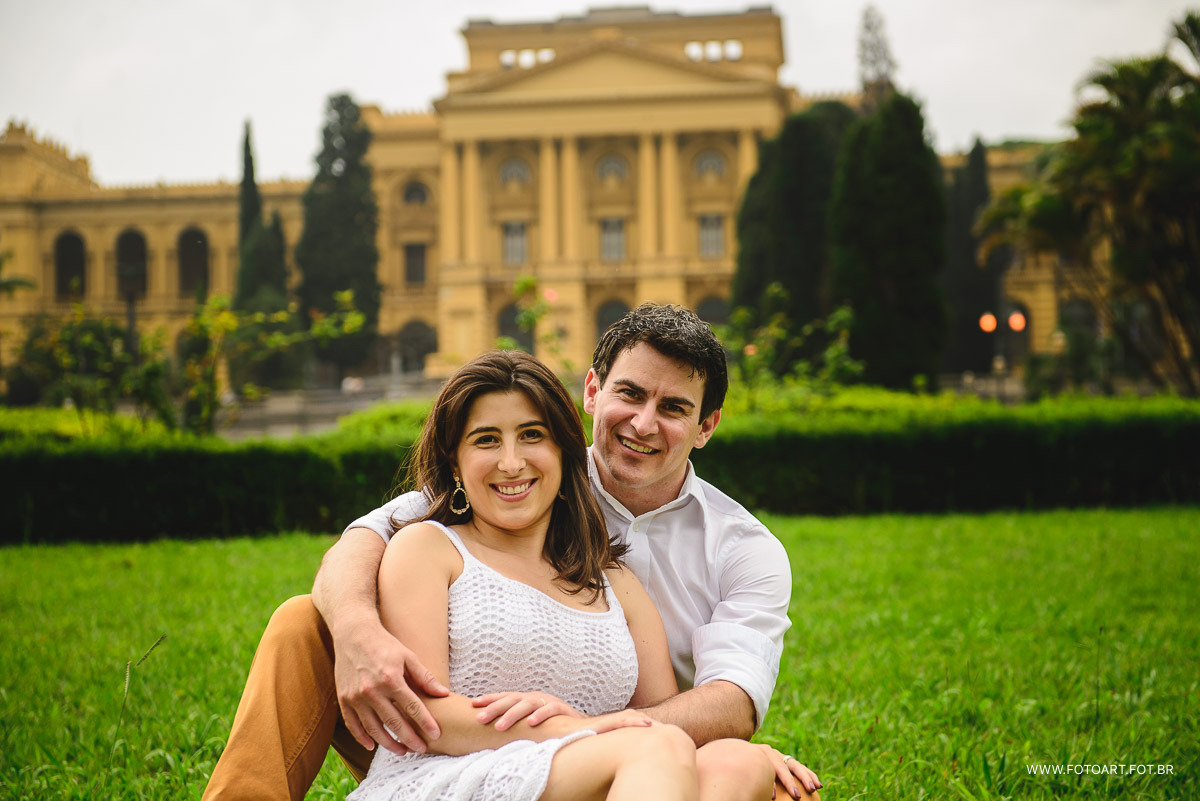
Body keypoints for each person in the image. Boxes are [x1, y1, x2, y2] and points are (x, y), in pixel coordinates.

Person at [203, 304, 821, 800]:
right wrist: (358, 631)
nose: (642, 423)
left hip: (632, 754)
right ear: (592, 392)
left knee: (738, 765)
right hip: (447, 741)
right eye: (630, 394)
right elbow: (361, 541)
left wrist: (609, 735)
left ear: (706, 426)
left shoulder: (741, 549)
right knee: (305, 622)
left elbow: (733, 701)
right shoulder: (513, 481)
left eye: (674, 408)